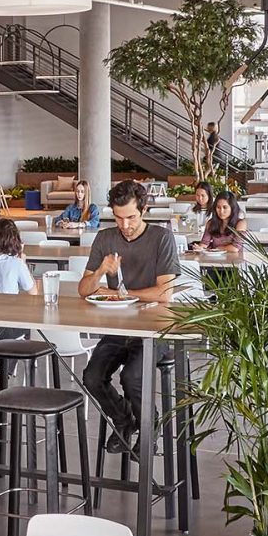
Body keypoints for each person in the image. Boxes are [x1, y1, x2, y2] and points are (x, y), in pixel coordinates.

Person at [78, 180, 181, 453]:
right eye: (119, 218)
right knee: (92, 377)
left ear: (144, 210)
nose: (125, 225)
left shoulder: (161, 238)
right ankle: (124, 420)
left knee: (132, 378)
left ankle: (150, 429)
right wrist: (101, 270)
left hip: (153, 329)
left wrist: (125, 295)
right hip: (117, 328)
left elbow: (165, 293)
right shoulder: (105, 238)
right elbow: (84, 289)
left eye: (131, 217)